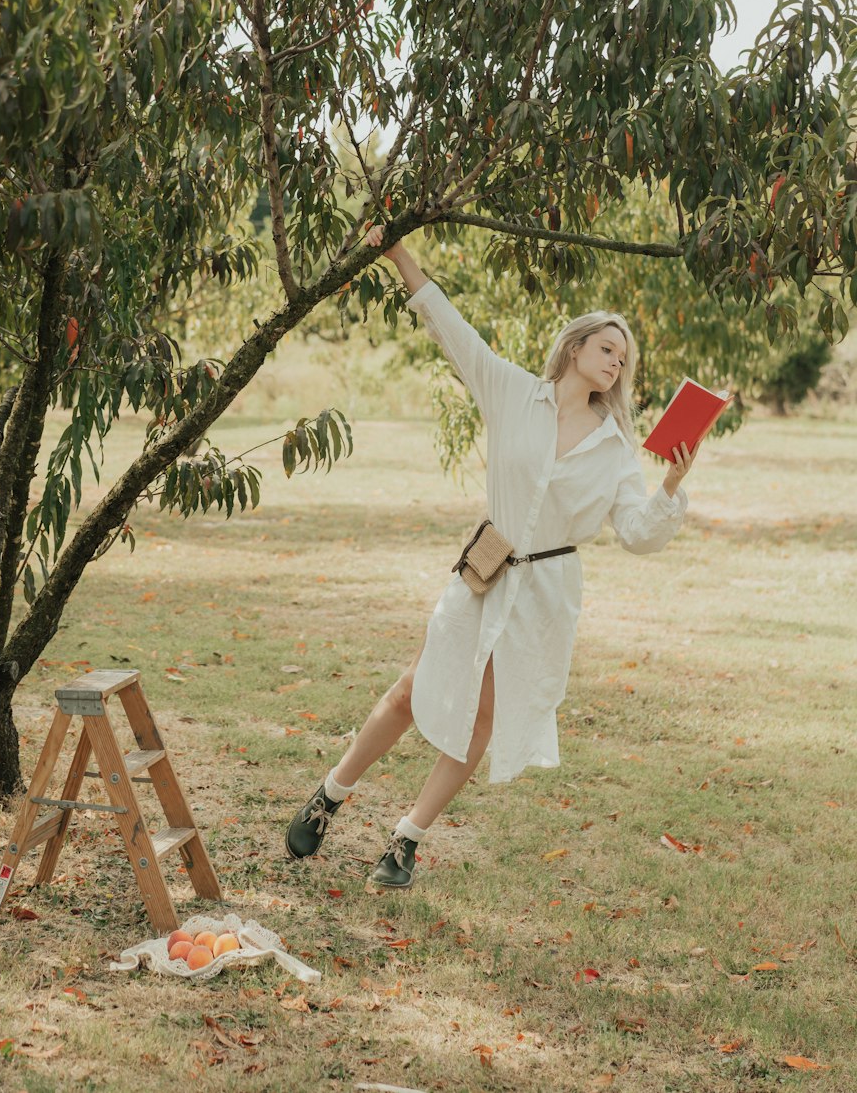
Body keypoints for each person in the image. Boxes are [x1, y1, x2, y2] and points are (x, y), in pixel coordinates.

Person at [285, 229, 698, 889]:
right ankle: (330, 793)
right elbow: (450, 327)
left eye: (624, 357)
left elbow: (637, 532)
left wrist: (672, 484)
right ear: (575, 347)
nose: (617, 362)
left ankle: (406, 840)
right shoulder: (511, 392)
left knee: (482, 716)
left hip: (546, 591)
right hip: (487, 564)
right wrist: (395, 252)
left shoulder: (618, 448)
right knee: (411, 690)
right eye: (607, 347)